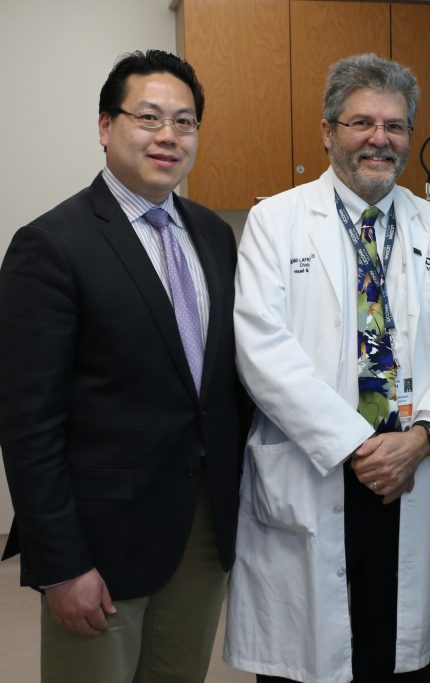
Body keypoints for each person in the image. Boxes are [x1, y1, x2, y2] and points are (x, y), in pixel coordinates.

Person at [226, 53, 430, 682]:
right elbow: (261, 351)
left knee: (388, 649)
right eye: (361, 123)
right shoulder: (276, 221)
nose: (380, 139)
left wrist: (419, 438)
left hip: (407, 465)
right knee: (310, 660)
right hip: (318, 464)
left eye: (395, 126)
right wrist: (358, 445)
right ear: (327, 131)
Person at [0, 50, 244, 682]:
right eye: (148, 116)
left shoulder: (213, 235)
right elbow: (28, 424)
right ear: (106, 127)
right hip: (100, 537)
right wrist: (60, 563)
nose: (168, 136)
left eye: (185, 122)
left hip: (202, 527)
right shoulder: (51, 246)